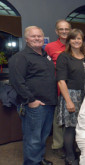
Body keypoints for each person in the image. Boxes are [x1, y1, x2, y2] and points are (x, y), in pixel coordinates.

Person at [9, 26, 57, 165]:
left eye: (39, 36)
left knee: (43, 137)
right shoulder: (20, 57)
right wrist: (31, 100)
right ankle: (32, 162)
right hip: (34, 106)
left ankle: (39, 159)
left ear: (43, 38)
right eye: (33, 36)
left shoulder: (45, 55)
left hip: (48, 104)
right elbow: (17, 82)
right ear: (26, 39)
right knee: (33, 138)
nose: (37, 38)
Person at [56, 29, 85, 164]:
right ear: (69, 41)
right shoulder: (64, 57)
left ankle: (81, 153)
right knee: (71, 128)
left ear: (82, 41)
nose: (76, 41)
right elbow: (61, 80)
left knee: (84, 126)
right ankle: (70, 158)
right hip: (71, 95)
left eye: (79, 38)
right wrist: (68, 101)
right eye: (73, 38)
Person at [45, 19, 71, 159]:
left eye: (67, 29)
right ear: (56, 31)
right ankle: (57, 145)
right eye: (61, 29)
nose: (64, 31)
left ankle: (70, 144)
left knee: (72, 118)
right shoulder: (50, 47)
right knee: (58, 119)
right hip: (58, 89)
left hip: (74, 88)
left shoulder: (75, 45)